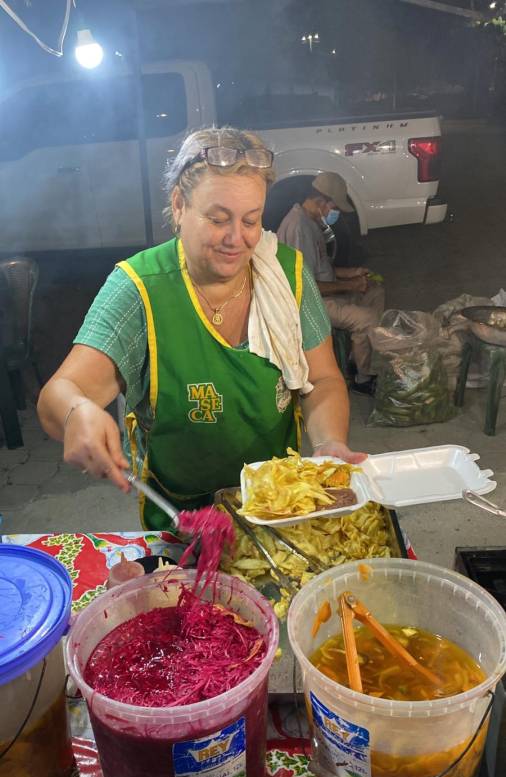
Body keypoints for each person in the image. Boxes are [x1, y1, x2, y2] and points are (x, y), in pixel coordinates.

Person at [37, 127, 366, 529]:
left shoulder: (287, 274)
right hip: (182, 519)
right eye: (218, 218)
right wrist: (76, 413)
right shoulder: (139, 289)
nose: (237, 239)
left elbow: (324, 378)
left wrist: (330, 442)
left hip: (279, 507)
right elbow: (58, 394)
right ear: (179, 205)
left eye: (251, 220)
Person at [277, 172, 385, 395]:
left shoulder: (310, 220)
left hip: (323, 292)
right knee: (367, 319)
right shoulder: (298, 228)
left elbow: (322, 268)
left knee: (376, 291)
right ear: (319, 203)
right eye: (332, 208)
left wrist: (353, 273)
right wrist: (350, 286)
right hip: (308, 304)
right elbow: (304, 287)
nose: (333, 213)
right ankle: (361, 378)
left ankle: (357, 356)